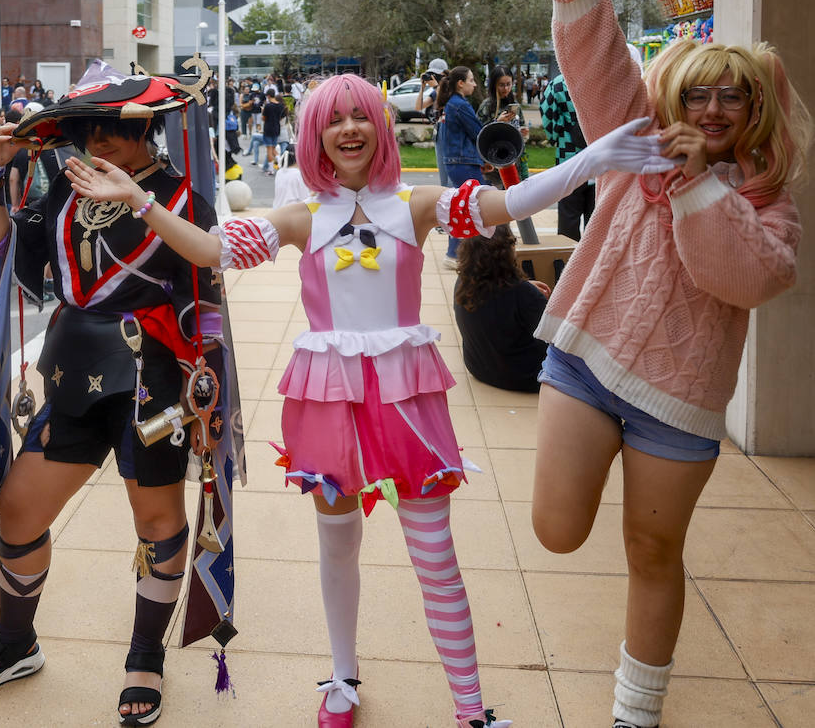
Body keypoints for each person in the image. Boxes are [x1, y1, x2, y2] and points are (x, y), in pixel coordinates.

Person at [65, 70, 673, 728]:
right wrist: (139, 200)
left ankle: (470, 709)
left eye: (361, 116)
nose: (349, 128)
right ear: (315, 134)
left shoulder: (414, 204)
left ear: (379, 128)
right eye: (334, 119)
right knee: (337, 544)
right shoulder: (301, 217)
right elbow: (210, 251)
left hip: (406, 397)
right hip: (330, 398)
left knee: (435, 556)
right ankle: (342, 678)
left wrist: (596, 157)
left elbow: (513, 202)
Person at [530, 0, 812, 728]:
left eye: (732, 98)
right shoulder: (633, 140)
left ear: (753, 109)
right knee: (553, 531)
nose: (713, 111)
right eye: (699, 96)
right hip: (586, 361)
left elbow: (746, 279)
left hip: (678, 405)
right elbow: (599, 67)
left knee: (653, 552)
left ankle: (635, 713)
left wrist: (699, 185)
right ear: (676, 99)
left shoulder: (766, 201)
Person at [0, 70, 232, 727]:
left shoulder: (181, 197)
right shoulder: (66, 191)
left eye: (114, 129)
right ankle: (15, 640)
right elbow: (1, 247)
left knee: (156, 523)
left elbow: (208, 298)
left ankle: (144, 658)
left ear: (143, 129)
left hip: (156, 386)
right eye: (88, 131)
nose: (98, 141)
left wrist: (211, 396)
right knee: (17, 509)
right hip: (72, 376)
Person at [452, 226, 549, 392]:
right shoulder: (524, 294)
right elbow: (555, 337)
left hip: (478, 367)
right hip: (525, 376)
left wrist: (527, 287)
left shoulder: (463, 282)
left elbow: (495, 295)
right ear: (507, 252)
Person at [436, 67, 484, 268]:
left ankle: (455, 254)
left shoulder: (452, 104)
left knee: (463, 205)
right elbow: (478, 132)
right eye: (471, 80)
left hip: (457, 162)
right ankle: (457, 255)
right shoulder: (460, 105)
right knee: (475, 206)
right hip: (463, 162)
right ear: (460, 83)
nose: (474, 84)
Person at [538, 73, 595, 239]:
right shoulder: (597, 79)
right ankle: (593, 261)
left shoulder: (558, 83)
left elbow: (547, 113)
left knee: (568, 215)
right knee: (595, 217)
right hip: (597, 158)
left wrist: (555, 136)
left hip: (568, 158)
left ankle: (567, 259)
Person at [419, 59, 450, 186]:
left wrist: (437, 86)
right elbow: (420, 105)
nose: (435, 78)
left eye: (437, 75)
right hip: (439, 131)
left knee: (450, 170)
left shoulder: (451, 89)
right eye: (432, 75)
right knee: (443, 171)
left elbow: (448, 101)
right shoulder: (434, 91)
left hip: (449, 131)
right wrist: (422, 87)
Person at [261, 89, 286, 174]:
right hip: (276, 128)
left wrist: (262, 111)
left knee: (269, 149)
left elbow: (264, 118)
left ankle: (271, 169)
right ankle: (280, 162)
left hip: (268, 128)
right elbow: (281, 117)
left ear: (268, 96)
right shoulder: (280, 106)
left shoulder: (268, 106)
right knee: (273, 148)